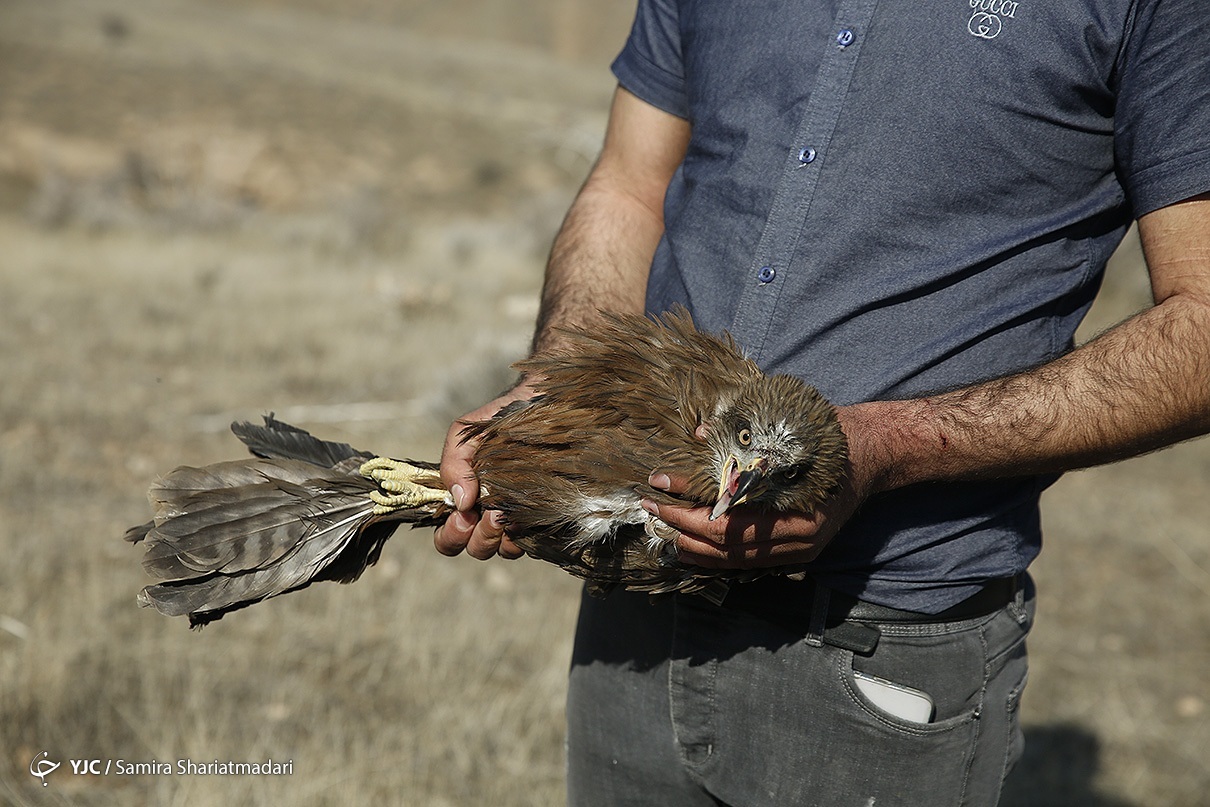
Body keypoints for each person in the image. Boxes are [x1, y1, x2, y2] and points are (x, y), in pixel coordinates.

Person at [434, 1, 1210, 804]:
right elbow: (631, 185)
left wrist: (883, 447)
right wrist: (558, 390)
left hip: (882, 636)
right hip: (640, 595)